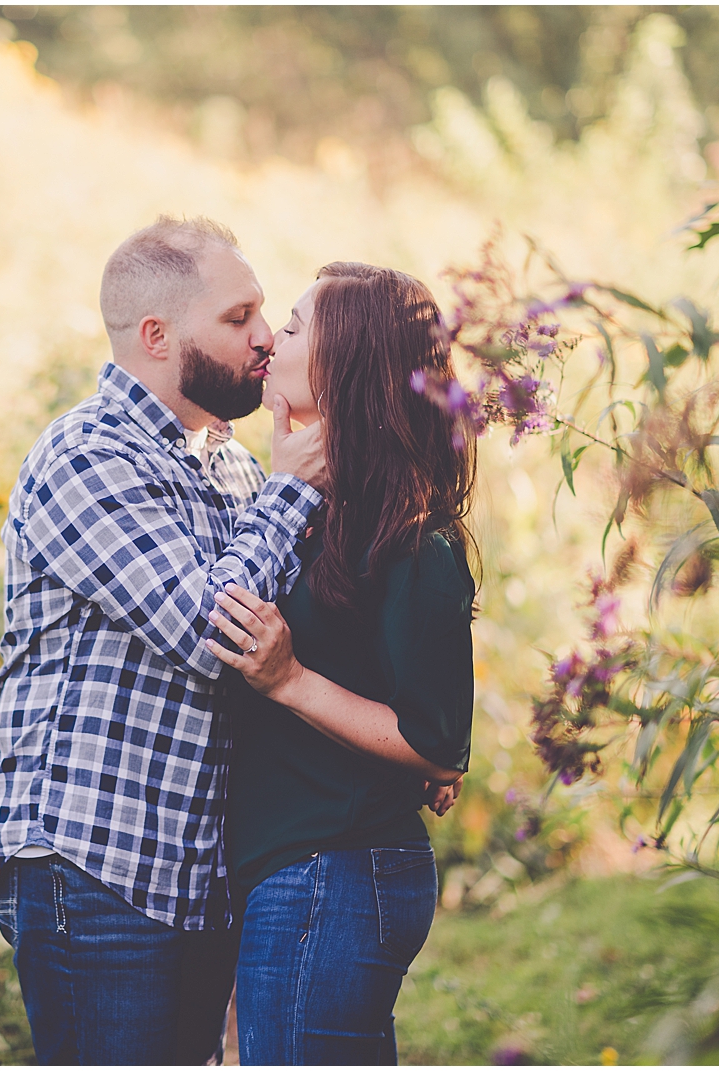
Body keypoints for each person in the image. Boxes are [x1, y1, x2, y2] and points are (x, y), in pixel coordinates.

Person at [0, 216, 328, 1064]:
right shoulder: (87, 454)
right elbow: (210, 635)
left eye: (265, 315)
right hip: (93, 865)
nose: (265, 339)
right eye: (239, 318)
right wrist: (294, 491)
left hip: (190, 876)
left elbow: (281, 647)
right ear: (158, 335)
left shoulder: (235, 466)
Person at [206, 262, 478, 1066]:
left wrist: (290, 681)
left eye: (291, 328)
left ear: (342, 367)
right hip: (302, 872)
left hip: (334, 872)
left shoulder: (412, 541)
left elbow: (435, 740)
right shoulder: (318, 516)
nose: (267, 340)